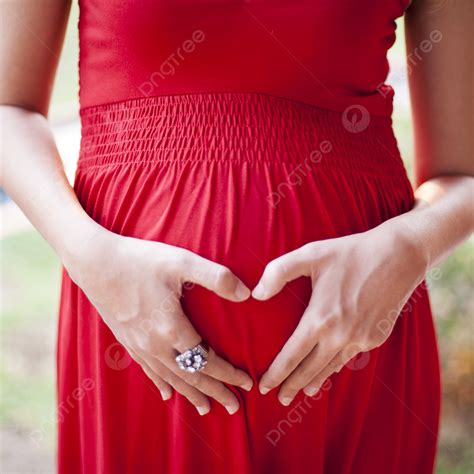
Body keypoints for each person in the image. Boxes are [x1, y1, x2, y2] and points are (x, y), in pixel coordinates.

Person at [1, 0, 472, 472]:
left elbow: (463, 174)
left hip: (352, 347)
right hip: (136, 335)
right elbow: (8, 107)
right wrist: (89, 253)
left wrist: (411, 245)